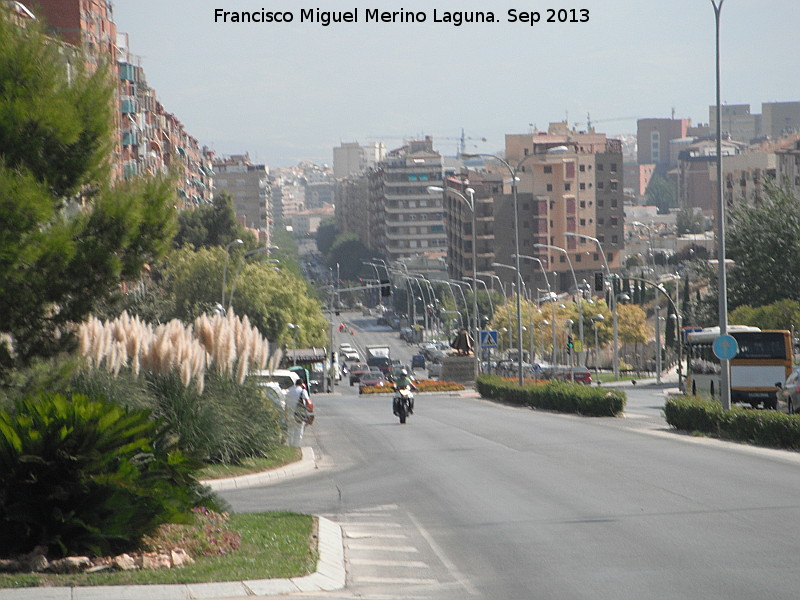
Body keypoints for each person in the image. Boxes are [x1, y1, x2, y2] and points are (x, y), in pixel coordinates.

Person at [287, 380, 312, 447]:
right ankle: (296, 446)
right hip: (298, 413)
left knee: (290, 429)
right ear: (302, 384)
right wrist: (309, 409)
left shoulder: (289, 391)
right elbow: (308, 402)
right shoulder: (303, 391)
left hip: (289, 412)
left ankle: (290, 445)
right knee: (298, 429)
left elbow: (286, 402)